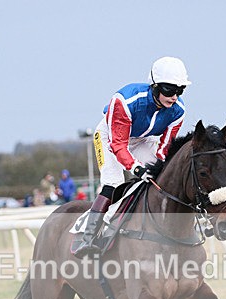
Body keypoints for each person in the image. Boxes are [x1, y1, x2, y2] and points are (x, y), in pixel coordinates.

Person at [73, 56, 190, 257]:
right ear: (155, 86)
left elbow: (164, 147)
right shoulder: (125, 101)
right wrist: (135, 168)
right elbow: (118, 145)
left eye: (180, 90)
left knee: (159, 178)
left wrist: (155, 167)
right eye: (169, 90)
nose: (174, 96)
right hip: (111, 137)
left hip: (143, 139)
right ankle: (88, 236)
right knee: (114, 183)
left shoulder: (178, 111)